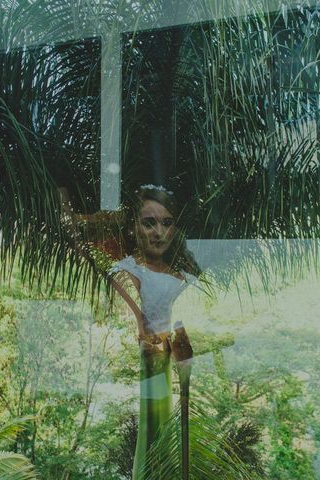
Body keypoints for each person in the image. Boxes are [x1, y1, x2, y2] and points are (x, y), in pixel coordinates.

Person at [107, 185, 201, 480]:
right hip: (153, 365)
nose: (158, 232)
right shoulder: (127, 272)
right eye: (149, 222)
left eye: (167, 222)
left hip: (171, 367)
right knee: (154, 438)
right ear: (134, 227)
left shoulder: (186, 278)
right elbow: (145, 326)